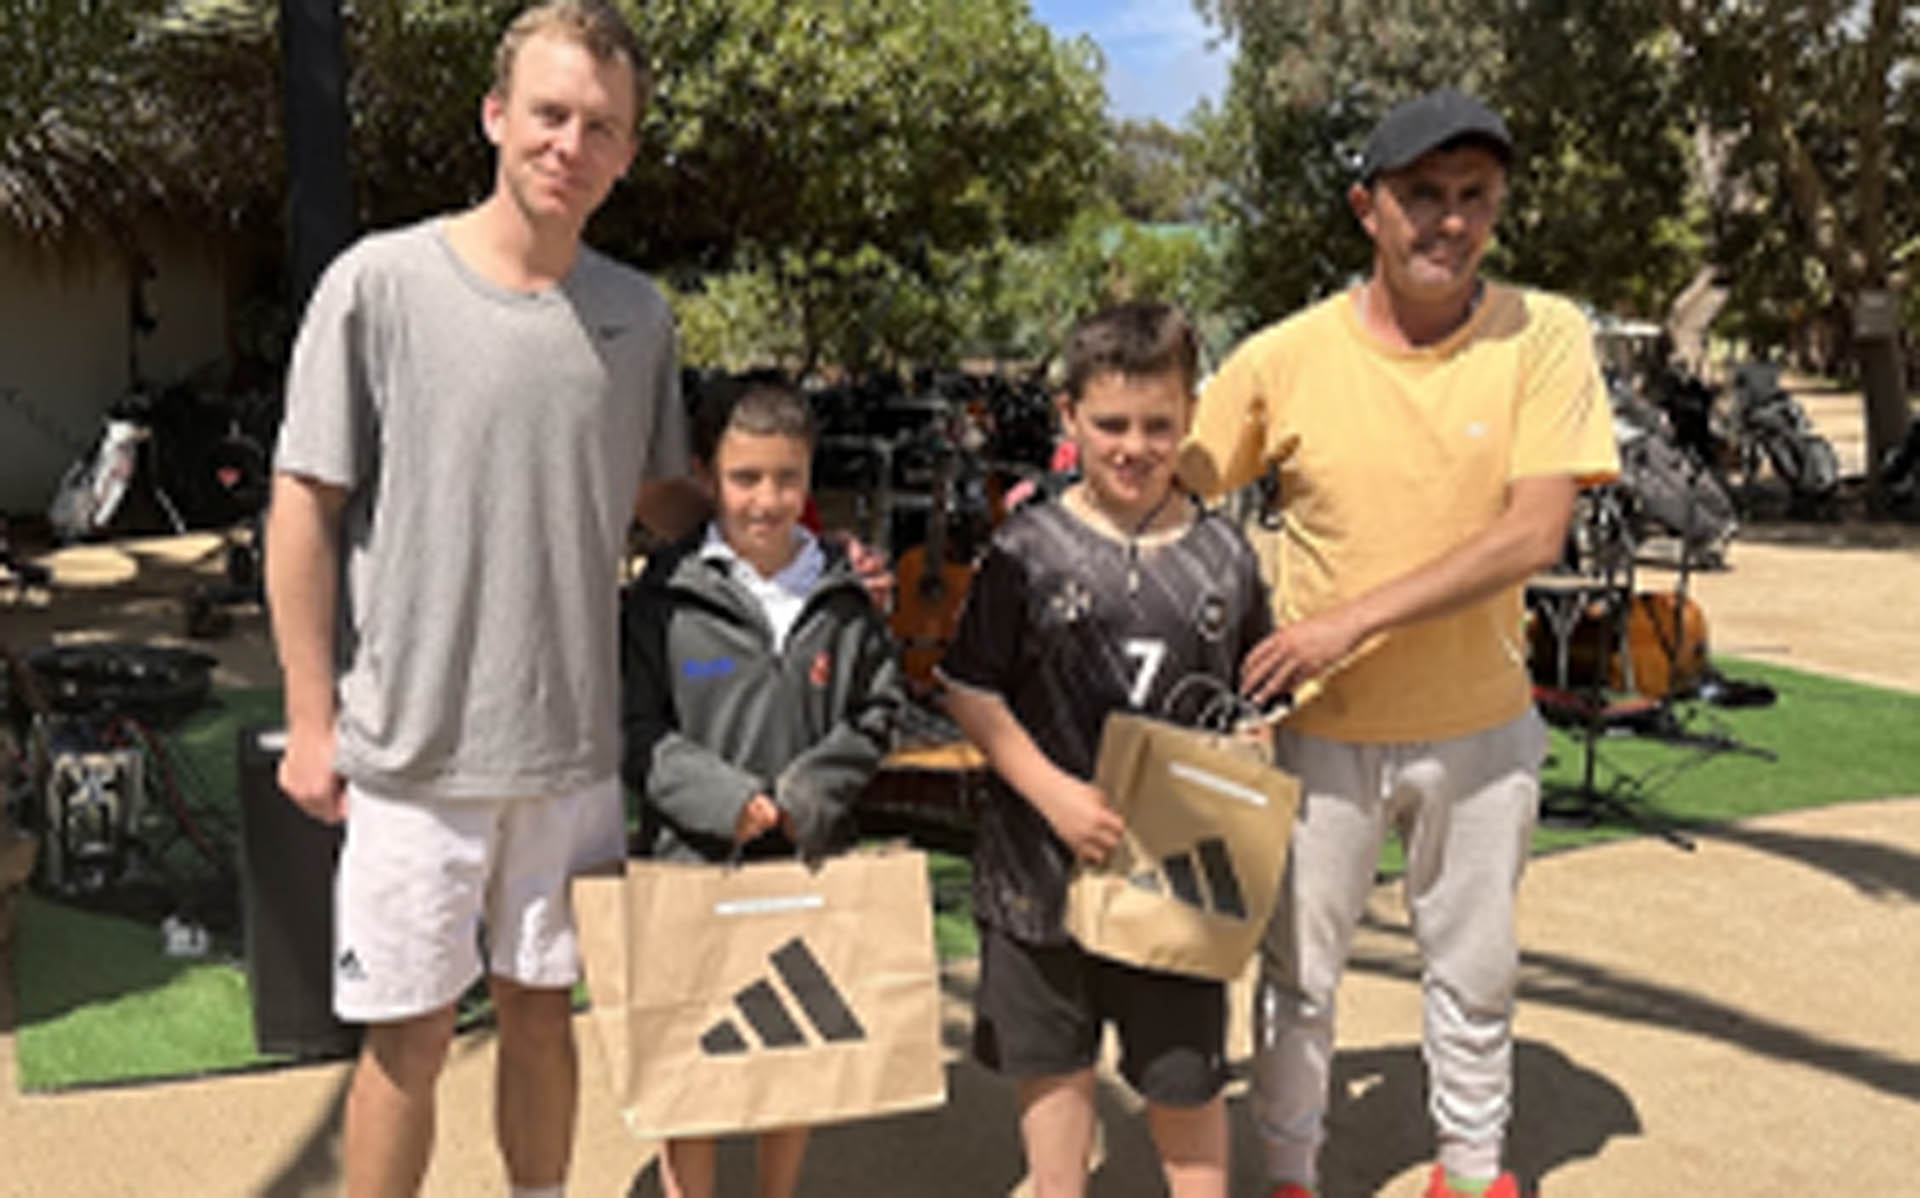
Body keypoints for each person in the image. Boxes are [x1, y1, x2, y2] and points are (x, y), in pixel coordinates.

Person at [264, 5, 701, 1195]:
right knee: (406, 1042)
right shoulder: (379, 287)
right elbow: (302, 505)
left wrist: (792, 532)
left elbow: (667, 500)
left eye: (602, 126)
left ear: (626, 153)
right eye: (550, 113)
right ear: (497, 116)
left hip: (569, 754)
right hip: (412, 753)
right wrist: (313, 717)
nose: (571, 142)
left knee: (542, 1013)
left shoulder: (637, 318)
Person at [1177, 89, 1621, 1198]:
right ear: (1366, 207)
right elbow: (1167, 482)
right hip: (1317, 734)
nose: (1451, 221)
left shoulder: (1544, 334)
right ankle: (1290, 1174)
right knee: (1299, 978)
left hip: (1481, 727)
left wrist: (1344, 620)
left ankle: (1470, 1172)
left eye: (1475, 198)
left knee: (1472, 971)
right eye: (1424, 195)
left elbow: (1533, 530)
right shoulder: (1283, 357)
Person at [939, 301, 1273, 1198]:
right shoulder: (1024, 550)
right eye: (1111, 423)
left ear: (1190, 415)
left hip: (1178, 881)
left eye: (1158, 424)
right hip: (1037, 872)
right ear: (1069, 418)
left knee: (1185, 1080)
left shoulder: (1224, 558)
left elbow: (1251, 700)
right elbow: (969, 688)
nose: (1135, 445)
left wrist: (1251, 742)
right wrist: (1052, 793)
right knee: (1053, 1072)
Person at [620, 378, 903, 1198]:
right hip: (691, 866)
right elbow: (633, 727)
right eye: (746, 478)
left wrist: (809, 792)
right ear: (708, 476)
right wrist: (719, 799)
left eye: (787, 478)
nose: (766, 500)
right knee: (692, 1065)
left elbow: (878, 709)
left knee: (792, 1056)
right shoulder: (666, 594)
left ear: (809, 480)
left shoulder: (843, 597)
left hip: (804, 866)